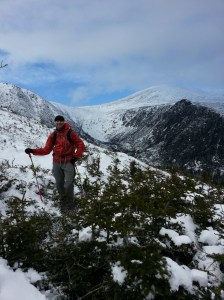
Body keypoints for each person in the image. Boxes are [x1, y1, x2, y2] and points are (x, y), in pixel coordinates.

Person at [25, 115, 85, 213]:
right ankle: (63, 201)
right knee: (59, 184)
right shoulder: (53, 135)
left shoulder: (71, 133)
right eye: (57, 121)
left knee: (69, 184)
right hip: (56, 162)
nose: (59, 122)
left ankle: (70, 204)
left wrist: (75, 157)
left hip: (68, 161)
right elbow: (46, 150)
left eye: (61, 121)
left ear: (64, 122)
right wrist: (32, 151)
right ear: (55, 123)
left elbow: (80, 145)